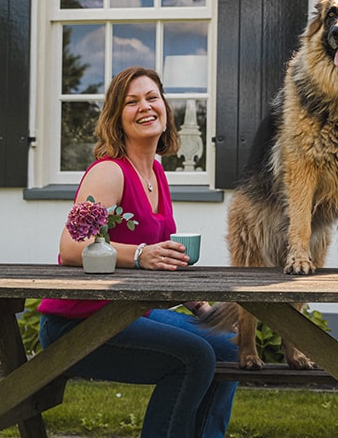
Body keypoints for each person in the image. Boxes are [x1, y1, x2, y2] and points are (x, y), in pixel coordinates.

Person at [38, 66, 237, 438]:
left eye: (152, 98)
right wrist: (141, 252)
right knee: (193, 358)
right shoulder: (109, 172)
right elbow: (71, 248)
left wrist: (200, 305)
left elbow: (162, 258)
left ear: (165, 109)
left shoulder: (157, 174)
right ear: (117, 117)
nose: (144, 107)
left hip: (128, 312)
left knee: (227, 344)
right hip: (79, 324)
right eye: (131, 102)